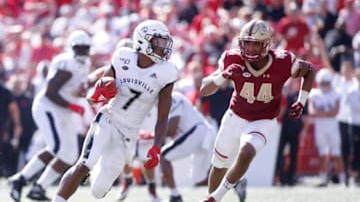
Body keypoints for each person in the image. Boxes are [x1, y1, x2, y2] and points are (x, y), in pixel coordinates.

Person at [52, 19, 178, 202]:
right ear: (143, 41)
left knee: (98, 191)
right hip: (108, 119)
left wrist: (157, 147)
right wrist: (97, 94)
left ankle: (96, 173)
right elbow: (99, 93)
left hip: (129, 133)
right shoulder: (122, 57)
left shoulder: (167, 72)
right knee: (84, 164)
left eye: (164, 42)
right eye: (158, 42)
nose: (163, 47)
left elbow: (163, 117)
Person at [200, 19, 315, 202]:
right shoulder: (232, 58)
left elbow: (309, 70)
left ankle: (216, 197)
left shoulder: (283, 61)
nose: (250, 49)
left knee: (246, 151)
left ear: (266, 45)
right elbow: (204, 89)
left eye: (255, 45)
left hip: (264, 119)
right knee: (219, 164)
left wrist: (301, 101)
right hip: (235, 116)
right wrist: (224, 76)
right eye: (247, 43)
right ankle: (213, 196)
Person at [9, 30, 92, 202]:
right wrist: (73, 106)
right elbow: (50, 92)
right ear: (72, 48)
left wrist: (83, 91)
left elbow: (75, 87)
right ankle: (20, 179)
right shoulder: (66, 63)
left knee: (69, 155)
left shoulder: (83, 64)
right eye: (79, 48)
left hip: (63, 109)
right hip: (48, 107)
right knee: (56, 147)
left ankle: (39, 187)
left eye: (85, 48)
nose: (83, 52)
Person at [160, 91, 216, 202]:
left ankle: (175, 196)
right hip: (203, 133)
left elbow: (171, 130)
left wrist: (153, 134)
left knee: (164, 156)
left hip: (197, 132)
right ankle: (234, 183)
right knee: (199, 179)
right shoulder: (160, 100)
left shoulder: (173, 97)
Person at [308, 68, 346, 187]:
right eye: (322, 82)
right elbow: (311, 112)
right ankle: (323, 179)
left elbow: (335, 112)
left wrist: (321, 114)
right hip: (321, 128)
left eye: (326, 82)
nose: (324, 85)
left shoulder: (336, 93)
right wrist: (326, 114)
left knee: (336, 154)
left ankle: (343, 180)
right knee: (322, 154)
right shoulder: (314, 93)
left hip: (332, 128)